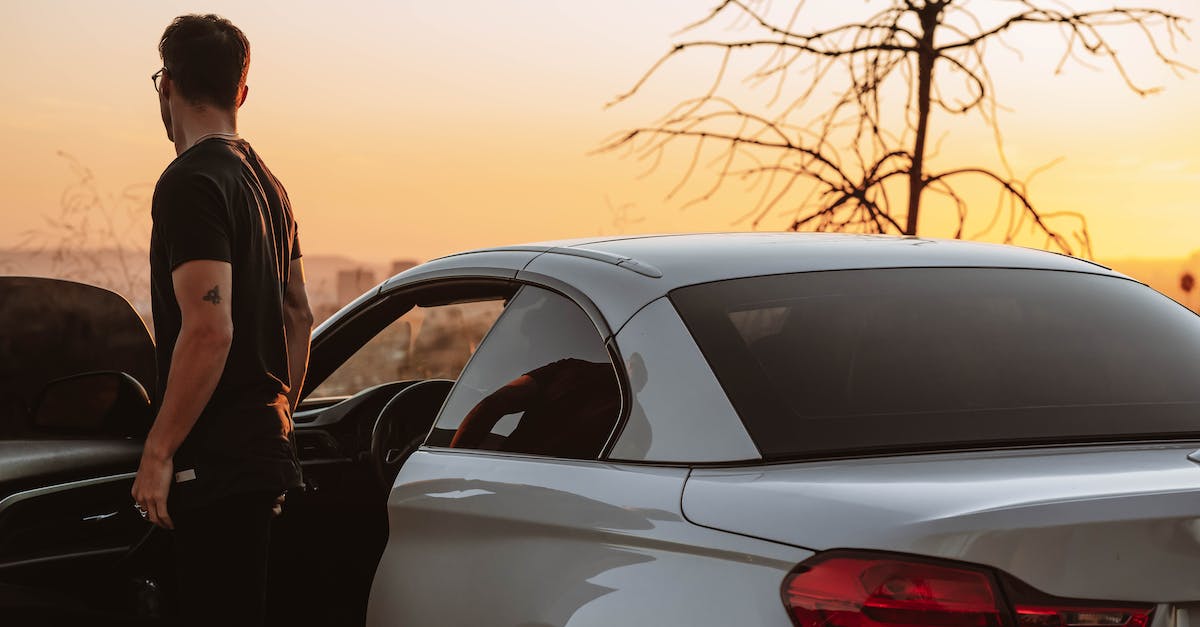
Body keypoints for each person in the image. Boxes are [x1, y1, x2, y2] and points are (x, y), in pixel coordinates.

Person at [130, 14, 312, 627]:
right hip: (262, 456)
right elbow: (298, 316)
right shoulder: (270, 185)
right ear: (241, 91)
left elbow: (209, 329)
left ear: (167, 85)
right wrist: (276, 419)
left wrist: (159, 451)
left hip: (212, 464)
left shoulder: (190, 182)